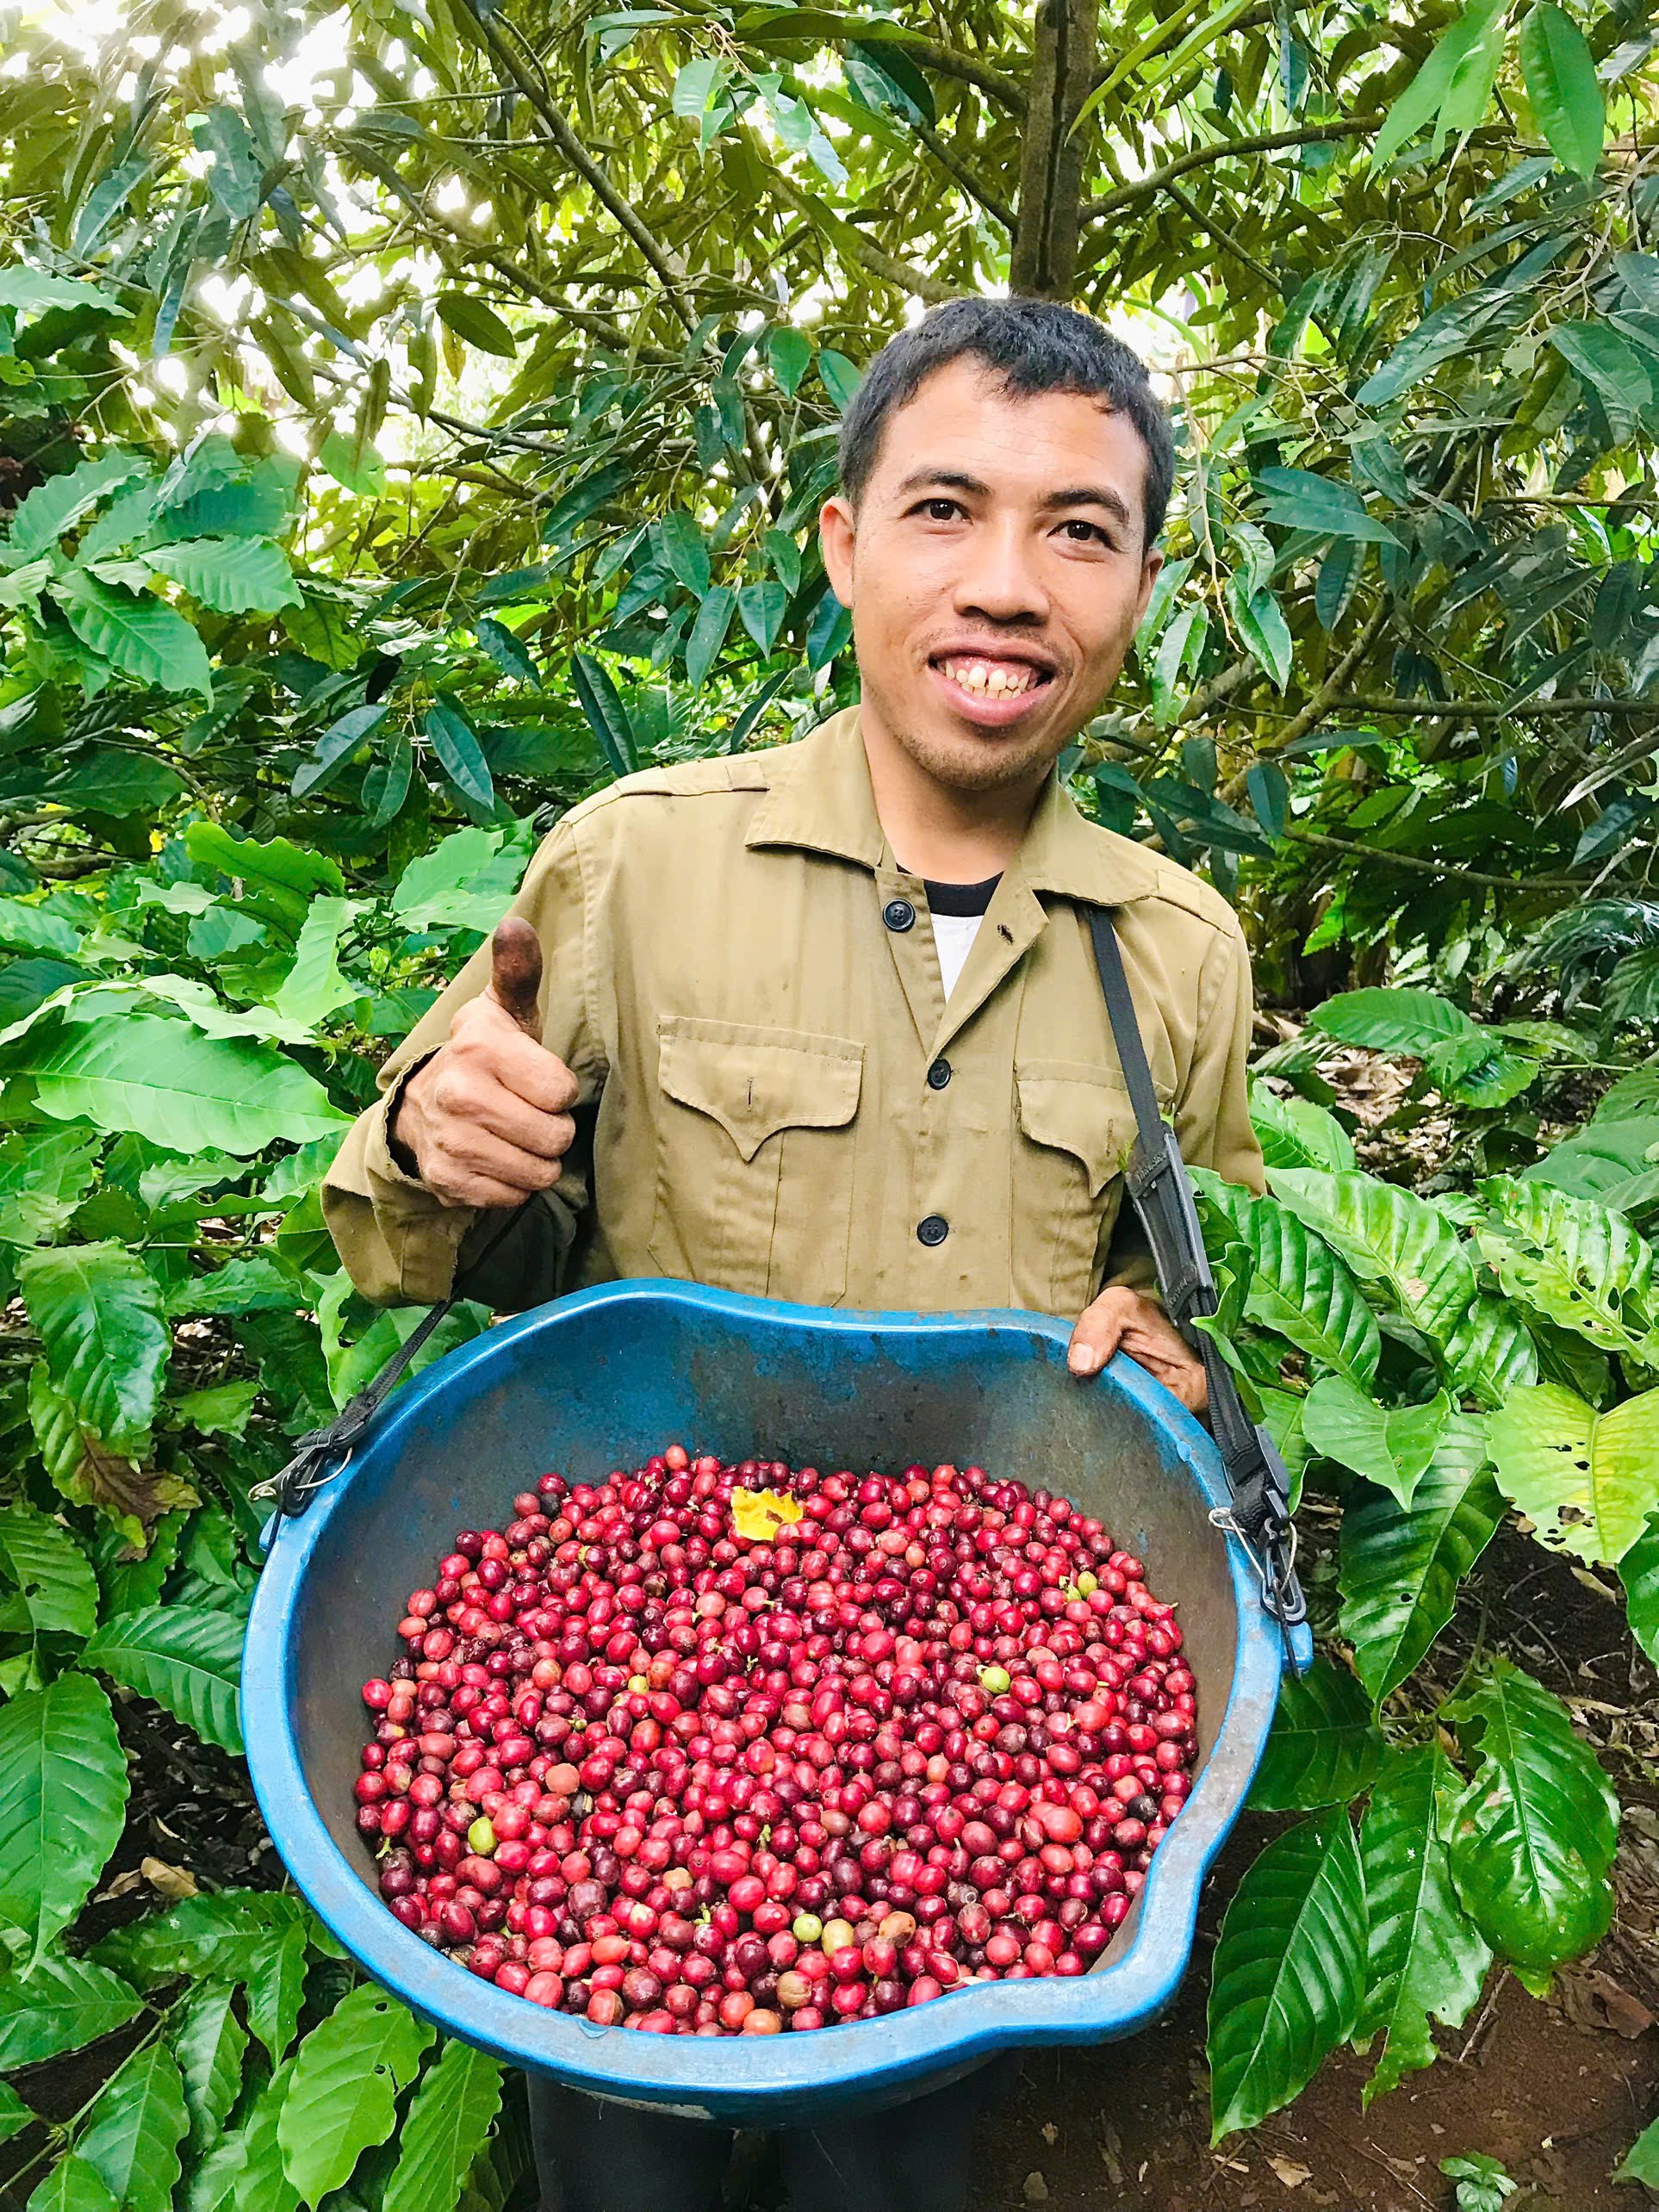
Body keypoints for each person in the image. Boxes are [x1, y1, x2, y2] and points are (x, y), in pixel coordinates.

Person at [324, 294, 1266, 2212]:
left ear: (1144, 582)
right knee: (623, 2162)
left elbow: (1198, 1288)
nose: (1008, 584)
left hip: (982, 1637)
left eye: (1079, 529)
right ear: (843, 544)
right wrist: (435, 1135)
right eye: (945, 509)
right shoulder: (638, 863)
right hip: (640, 1597)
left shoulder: (1175, 953)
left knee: (891, 2165)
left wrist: (1177, 1350)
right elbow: (425, 1221)